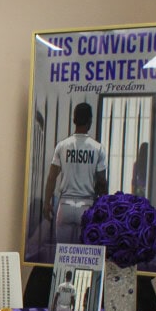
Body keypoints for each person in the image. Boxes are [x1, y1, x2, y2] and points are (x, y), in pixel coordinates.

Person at [43, 102, 107, 244]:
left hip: (65, 204)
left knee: (63, 254)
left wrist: (47, 202)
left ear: (74, 120)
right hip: (87, 205)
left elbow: (52, 177)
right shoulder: (98, 148)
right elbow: (102, 182)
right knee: (83, 254)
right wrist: (104, 207)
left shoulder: (62, 146)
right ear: (90, 121)